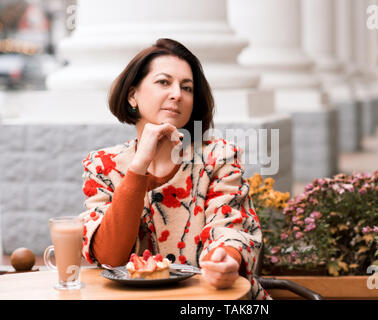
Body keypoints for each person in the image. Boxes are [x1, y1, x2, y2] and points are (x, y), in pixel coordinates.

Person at [79, 38, 270, 300]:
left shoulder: (218, 157)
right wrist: (138, 166)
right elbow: (110, 257)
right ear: (133, 94)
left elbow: (229, 228)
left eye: (187, 88)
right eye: (163, 82)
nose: (177, 94)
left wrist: (225, 260)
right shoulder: (103, 165)